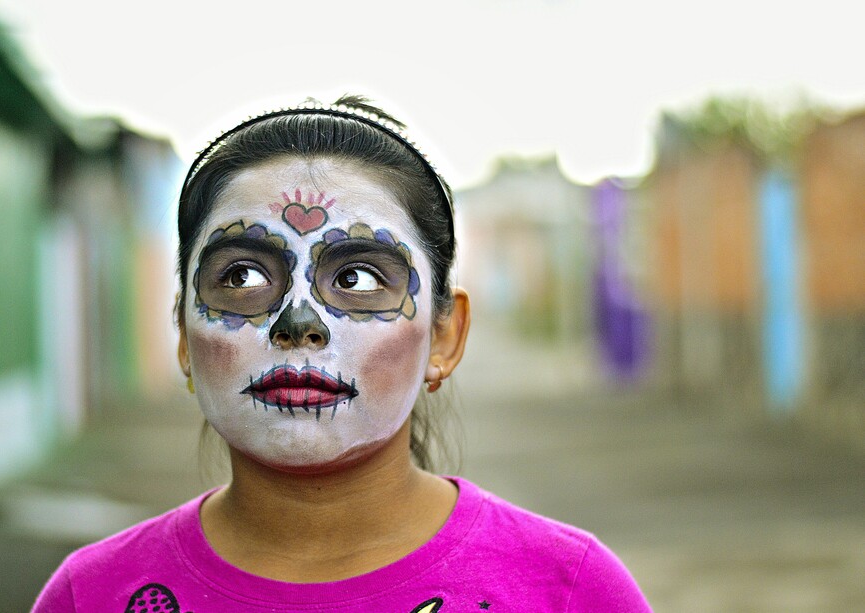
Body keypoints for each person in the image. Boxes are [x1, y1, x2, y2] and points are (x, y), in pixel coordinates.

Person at [32, 95, 652, 612]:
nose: (298, 324)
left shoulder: (570, 591)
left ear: (444, 338)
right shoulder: (91, 597)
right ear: (183, 338)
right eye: (244, 278)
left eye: (357, 279)